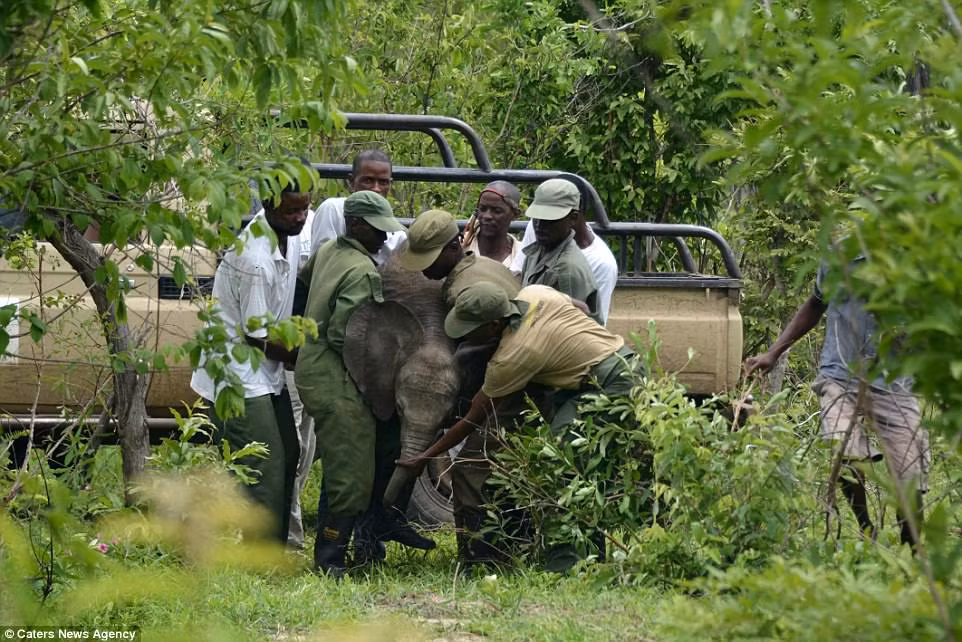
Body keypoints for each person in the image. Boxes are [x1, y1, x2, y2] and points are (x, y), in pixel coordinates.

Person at [398, 281, 639, 569]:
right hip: (619, 363)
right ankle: (589, 556)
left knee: (561, 464)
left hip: (611, 384)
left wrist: (425, 457)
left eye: (471, 330)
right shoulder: (534, 293)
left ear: (495, 325)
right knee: (580, 470)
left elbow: (472, 421)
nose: (466, 337)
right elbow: (582, 308)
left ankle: (564, 567)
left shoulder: (514, 356)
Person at [744, 256, 930, 548]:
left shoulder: (921, 263)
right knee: (844, 448)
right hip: (841, 375)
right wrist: (773, 352)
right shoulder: (840, 257)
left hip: (893, 381)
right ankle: (866, 529)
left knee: (911, 475)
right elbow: (816, 305)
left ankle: (913, 543)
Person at [294, 191, 433, 575]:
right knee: (351, 469)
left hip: (311, 363)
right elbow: (348, 334)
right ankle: (330, 560)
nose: (385, 239)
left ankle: (340, 552)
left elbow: (302, 287)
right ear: (355, 225)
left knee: (346, 459)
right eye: (377, 230)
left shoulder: (329, 251)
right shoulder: (362, 271)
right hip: (335, 373)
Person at [190, 180, 309, 543]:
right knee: (265, 464)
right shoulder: (255, 259)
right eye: (292, 211)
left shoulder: (287, 232)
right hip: (239, 374)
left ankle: (274, 545)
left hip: (265, 372)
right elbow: (257, 338)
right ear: (270, 208)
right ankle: (261, 554)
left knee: (290, 452)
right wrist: (310, 359)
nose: (301, 217)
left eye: (305, 208)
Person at [511, 188, 618, 326]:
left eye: (550, 219)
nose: (539, 225)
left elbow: (567, 330)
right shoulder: (539, 247)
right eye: (537, 217)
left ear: (573, 218)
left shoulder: (566, 270)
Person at [398, 208, 521, 308]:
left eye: (430, 259)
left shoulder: (459, 295)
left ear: (454, 247)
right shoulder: (489, 264)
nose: (424, 268)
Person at [285, 205, 317, 550]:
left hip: (308, 361)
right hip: (287, 360)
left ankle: (288, 532)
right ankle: (290, 540)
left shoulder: (305, 239)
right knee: (293, 451)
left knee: (305, 450)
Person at [310, 149, 405, 264]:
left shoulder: (396, 231)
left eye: (383, 182)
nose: (376, 188)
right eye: (368, 181)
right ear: (351, 182)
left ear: (390, 185)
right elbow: (322, 263)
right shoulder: (333, 210)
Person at [461, 181, 524, 268]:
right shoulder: (460, 248)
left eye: (497, 211)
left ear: (515, 214)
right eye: (482, 209)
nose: (487, 216)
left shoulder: (522, 256)